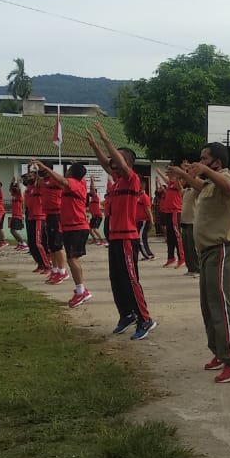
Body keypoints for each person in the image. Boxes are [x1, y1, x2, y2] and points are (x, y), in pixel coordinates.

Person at [168, 142, 230, 381]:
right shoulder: (207, 184)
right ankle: (220, 352)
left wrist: (204, 170)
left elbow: (227, 186)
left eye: (204, 158)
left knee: (221, 306)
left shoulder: (225, 177)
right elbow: (198, 184)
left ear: (216, 161)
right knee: (208, 305)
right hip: (208, 252)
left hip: (223, 249)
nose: (200, 161)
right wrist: (183, 173)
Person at [87, 124, 156, 340]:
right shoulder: (116, 183)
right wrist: (94, 145)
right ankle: (127, 314)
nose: (112, 161)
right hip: (114, 238)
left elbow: (118, 163)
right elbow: (105, 163)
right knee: (116, 278)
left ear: (126, 163)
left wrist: (105, 139)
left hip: (127, 237)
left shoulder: (132, 179)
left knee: (131, 279)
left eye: (117, 158)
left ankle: (145, 319)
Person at [34, 160, 92, 308]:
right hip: (70, 227)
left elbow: (60, 180)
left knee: (72, 259)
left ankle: (81, 291)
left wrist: (46, 167)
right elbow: (54, 181)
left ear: (71, 173)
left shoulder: (75, 184)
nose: (65, 171)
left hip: (77, 227)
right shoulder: (72, 184)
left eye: (69, 169)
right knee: (72, 258)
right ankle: (80, 289)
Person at [40, 165, 68, 285]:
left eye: (43, 170)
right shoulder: (43, 182)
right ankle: (55, 270)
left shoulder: (55, 180)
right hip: (48, 215)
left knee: (57, 245)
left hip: (57, 214)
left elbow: (64, 184)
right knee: (51, 245)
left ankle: (62, 272)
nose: (41, 172)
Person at [175, 156, 200, 276]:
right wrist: (177, 177)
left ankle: (197, 268)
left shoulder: (196, 190)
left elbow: (195, 180)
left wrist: (186, 171)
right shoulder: (186, 191)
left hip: (192, 222)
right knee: (187, 247)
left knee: (193, 247)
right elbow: (179, 188)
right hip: (184, 222)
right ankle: (190, 268)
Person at [158, 175, 185, 267]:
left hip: (175, 212)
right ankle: (171, 258)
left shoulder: (178, 184)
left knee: (177, 235)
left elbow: (179, 183)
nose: (169, 176)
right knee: (169, 237)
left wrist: (178, 175)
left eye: (171, 174)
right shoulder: (169, 184)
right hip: (168, 212)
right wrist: (159, 173)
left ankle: (182, 258)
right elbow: (166, 178)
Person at [24, 173, 48, 274]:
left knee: (38, 243)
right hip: (30, 216)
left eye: (30, 176)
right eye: (28, 177)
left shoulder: (39, 186)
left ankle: (47, 266)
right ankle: (40, 264)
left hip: (39, 216)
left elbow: (41, 180)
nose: (28, 178)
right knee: (31, 244)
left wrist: (37, 170)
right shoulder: (29, 188)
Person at [137, 182, 156, 261]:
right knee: (141, 238)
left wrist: (151, 221)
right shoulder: (138, 196)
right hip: (138, 221)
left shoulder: (144, 197)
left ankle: (148, 255)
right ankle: (148, 254)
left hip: (144, 221)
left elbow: (148, 210)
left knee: (140, 238)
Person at [7, 179, 26, 249]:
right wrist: (12, 182)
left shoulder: (19, 196)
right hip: (14, 215)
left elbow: (19, 189)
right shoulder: (13, 195)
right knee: (12, 231)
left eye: (16, 188)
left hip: (18, 216)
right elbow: (10, 189)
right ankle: (20, 243)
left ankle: (23, 243)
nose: (14, 189)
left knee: (13, 230)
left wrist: (18, 182)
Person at [87, 179, 106, 246]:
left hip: (98, 216)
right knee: (89, 229)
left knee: (94, 229)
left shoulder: (95, 197)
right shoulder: (91, 200)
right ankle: (95, 240)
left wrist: (92, 180)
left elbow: (92, 188)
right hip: (94, 217)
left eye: (91, 191)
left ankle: (102, 241)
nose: (90, 192)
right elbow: (90, 209)